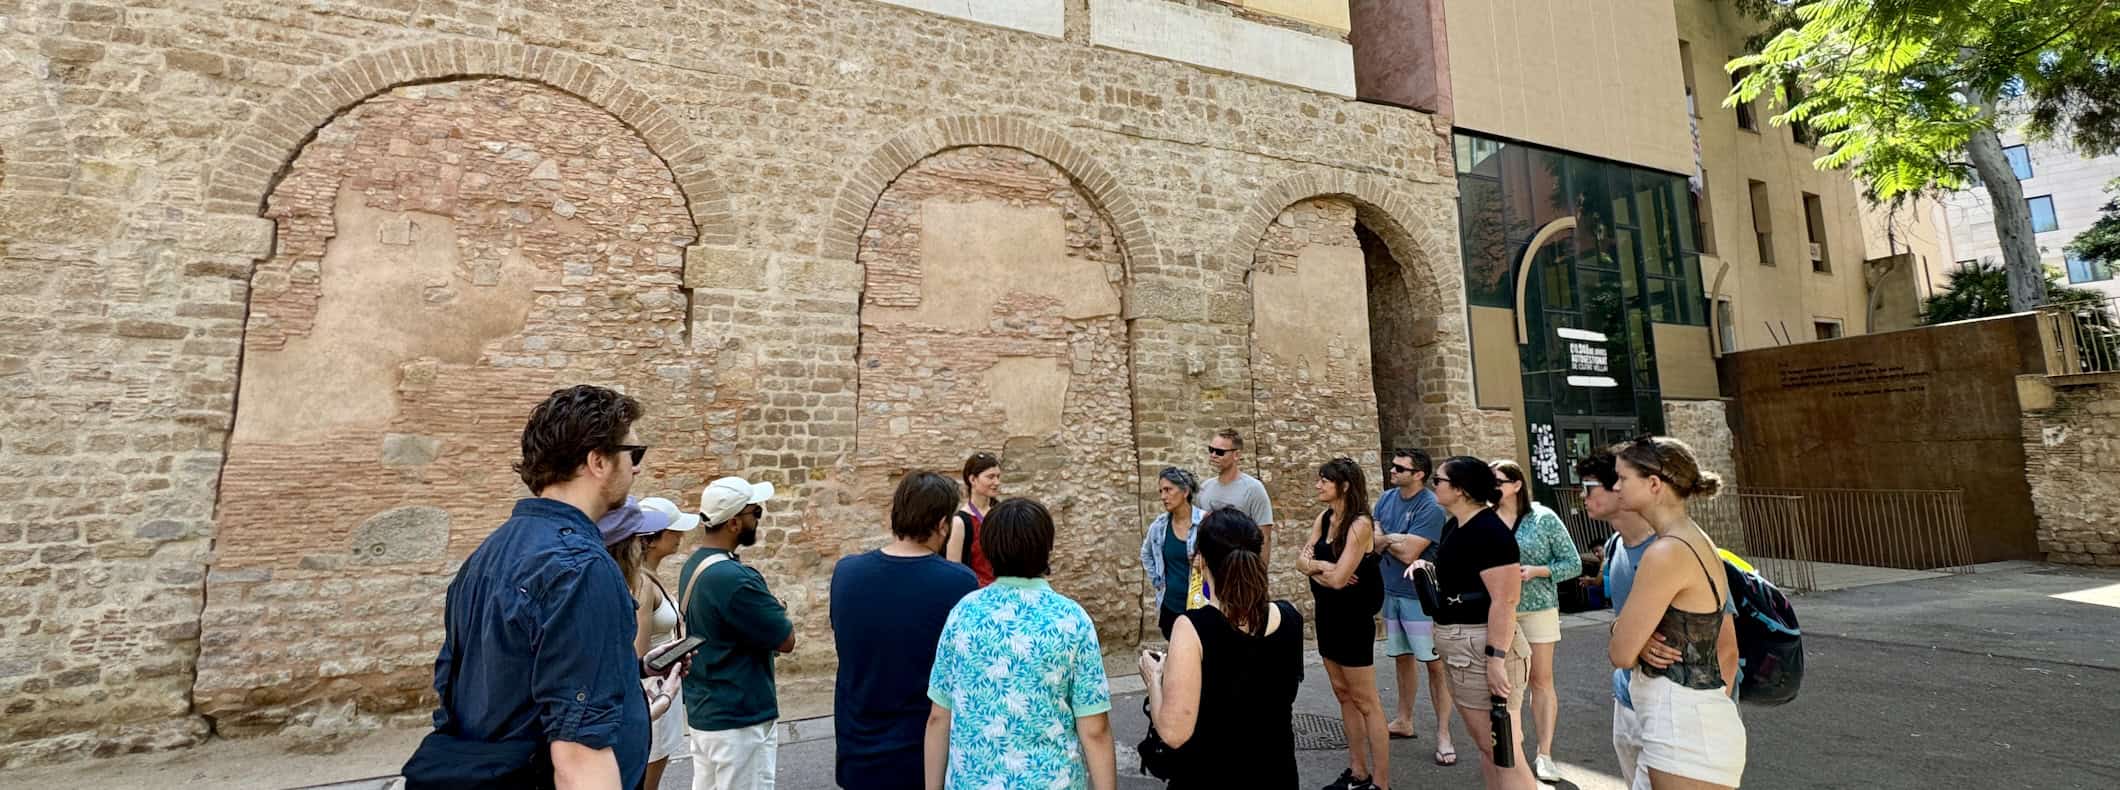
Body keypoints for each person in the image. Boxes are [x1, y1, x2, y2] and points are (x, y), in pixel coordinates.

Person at [402, 385, 666, 790]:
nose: (637, 468)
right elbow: (580, 760)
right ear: (597, 460)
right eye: (634, 454)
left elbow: (507, 682)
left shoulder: (487, 554)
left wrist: (628, 674)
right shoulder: (582, 568)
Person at [924, 498, 1117, 790]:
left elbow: (939, 716)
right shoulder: (1071, 620)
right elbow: (1095, 729)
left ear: (988, 549)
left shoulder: (963, 613)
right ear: (1046, 547)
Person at [1606, 437, 1746, 790]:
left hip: (1681, 725)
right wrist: (1633, 635)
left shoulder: (1666, 551)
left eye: (1623, 478)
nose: (1616, 487)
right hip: (1685, 719)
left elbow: (1621, 652)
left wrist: (1626, 632)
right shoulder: (1691, 539)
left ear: (1654, 484)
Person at [830, 472, 980, 790]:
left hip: (858, 751)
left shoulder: (846, 573)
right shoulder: (958, 583)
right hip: (923, 755)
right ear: (942, 524)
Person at [1139, 506, 1304, 789]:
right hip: (1277, 774)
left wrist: (1154, 679)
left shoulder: (1192, 628)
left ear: (1200, 560)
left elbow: (1173, 732)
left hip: (1210, 776)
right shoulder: (1290, 618)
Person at [1419, 456, 1538, 790]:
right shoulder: (1456, 524)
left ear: (1459, 489)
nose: (1434, 486)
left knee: (1504, 752)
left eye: (1438, 481)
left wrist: (1495, 659)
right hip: (1460, 643)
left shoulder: (1489, 531)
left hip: (1481, 645)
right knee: (1489, 750)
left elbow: (1505, 600)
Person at [679, 476, 792, 790]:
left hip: (708, 713)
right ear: (732, 523)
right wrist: (777, 606)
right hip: (740, 719)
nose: (758, 519)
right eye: (754, 513)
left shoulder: (695, 565)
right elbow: (786, 640)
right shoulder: (734, 578)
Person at [598, 496, 704, 790]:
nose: (680, 536)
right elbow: (638, 652)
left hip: (658, 689)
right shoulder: (643, 585)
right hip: (652, 692)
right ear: (650, 540)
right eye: (673, 530)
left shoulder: (645, 578)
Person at [1297, 457, 1388, 790]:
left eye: (1325, 480)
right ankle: (1357, 771)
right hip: (1328, 616)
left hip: (1352, 619)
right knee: (1342, 694)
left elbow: (1340, 581)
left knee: (1366, 700)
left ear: (1345, 485)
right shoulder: (1325, 518)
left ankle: (1381, 781)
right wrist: (1321, 566)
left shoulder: (1360, 524)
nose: (1318, 485)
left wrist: (1317, 570)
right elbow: (1301, 561)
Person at [1491, 459, 1582, 783]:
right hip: (1500, 610)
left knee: (1541, 681)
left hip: (1539, 606)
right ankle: (1510, 749)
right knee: (1503, 683)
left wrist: (1538, 571)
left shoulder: (1543, 518)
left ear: (1516, 484)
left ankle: (1544, 754)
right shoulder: (1486, 519)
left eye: (1498, 480)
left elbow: (1573, 563)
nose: (1492, 487)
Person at [1574, 450, 1659, 785]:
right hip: (1626, 694)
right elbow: (1623, 618)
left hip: (1671, 704)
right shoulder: (1614, 545)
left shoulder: (1672, 548)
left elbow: (1725, 645)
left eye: (1589, 487)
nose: (1582, 496)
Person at [1371, 449, 1456, 765]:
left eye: (1399, 467)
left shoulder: (1430, 506)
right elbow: (1375, 536)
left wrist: (1387, 540)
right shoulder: (1386, 498)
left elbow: (1410, 554)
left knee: (1434, 664)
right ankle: (1404, 719)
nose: (1392, 470)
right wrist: (1395, 539)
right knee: (1402, 658)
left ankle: (1444, 733)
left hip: (1420, 597)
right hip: (1391, 591)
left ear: (1418, 474)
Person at [1140, 466, 1209, 639]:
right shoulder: (1159, 526)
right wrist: (1158, 581)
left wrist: (1206, 561)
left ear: (1185, 491)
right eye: (1161, 491)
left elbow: (1226, 559)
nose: (1163, 496)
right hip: (1170, 607)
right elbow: (1146, 554)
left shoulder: (1206, 523)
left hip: (1202, 606)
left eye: (1168, 490)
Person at [1200, 429, 1277, 566]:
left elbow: (1264, 537)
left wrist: (1259, 576)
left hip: (1241, 569)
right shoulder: (1205, 488)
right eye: (1211, 449)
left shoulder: (1253, 489)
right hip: (1210, 571)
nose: (1213, 455)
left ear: (1236, 455)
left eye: (1220, 452)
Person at [944, 452, 1001, 586]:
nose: (997, 482)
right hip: (976, 594)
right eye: (990, 477)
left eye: (998, 476)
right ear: (973, 480)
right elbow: (954, 571)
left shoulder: (1001, 513)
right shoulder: (960, 522)